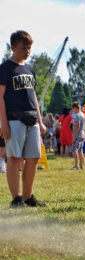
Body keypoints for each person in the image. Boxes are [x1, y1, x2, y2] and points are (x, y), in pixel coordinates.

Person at [0, 30, 46, 208]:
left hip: (32, 120)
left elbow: (33, 96)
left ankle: (28, 197)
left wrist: (40, 121)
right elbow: (0, 97)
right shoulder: (5, 68)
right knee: (13, 157)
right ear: (13, 47)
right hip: (13, 120)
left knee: (33, 157)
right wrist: (3, 122)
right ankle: (16, 198)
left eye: (29, 48)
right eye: (23, 48)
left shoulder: (29, 69)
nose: (27, 51)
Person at [71, 101, 85, 170]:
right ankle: (81, 165)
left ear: (75, 108)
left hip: (78, 135)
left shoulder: (77, 115)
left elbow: (77, 127)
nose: (73, 111)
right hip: (82, 134)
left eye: (73, 109)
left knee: (75, 150)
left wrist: (74, 137)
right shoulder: (83, 114)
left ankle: (76, 165)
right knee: (80, 150)